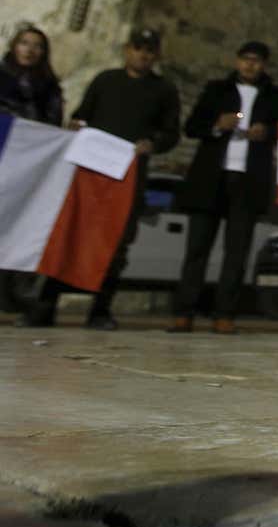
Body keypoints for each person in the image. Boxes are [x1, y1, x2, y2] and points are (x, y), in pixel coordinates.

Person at [20, 29, 180, 330]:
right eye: (137, 48)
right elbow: (83, 114)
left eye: (149, 50)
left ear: (156, 55)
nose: (143, 55)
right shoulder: (106, 80)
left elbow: (172, 133)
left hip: (129, 177)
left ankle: (100, 310)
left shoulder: (165, 90)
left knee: (116, 243)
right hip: (91, 174)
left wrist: (152, 143)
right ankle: (45, 305)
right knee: (71, 233)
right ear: (126, 50)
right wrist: (77, 124)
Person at [169, 41, 278, 334]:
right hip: (211, 177)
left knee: (237, 251)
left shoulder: (274, 96)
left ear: (264, 65)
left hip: (248, 180)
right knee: (197, 248)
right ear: (237, 61)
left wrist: (268, 132)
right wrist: (217, 124)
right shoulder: (216, 90)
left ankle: (224, 314)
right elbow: (191, 126)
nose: (251, 65)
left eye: (257, 61)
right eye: (246, 59)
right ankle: (184, 312)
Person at [0, 25, 64, 312]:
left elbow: (52, 125)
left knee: (21, 226)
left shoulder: (49, 87)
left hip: (31, 169)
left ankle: (11, 292)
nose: (30, 49)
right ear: (15, 46)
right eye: (25, 43)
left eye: (37, 45)